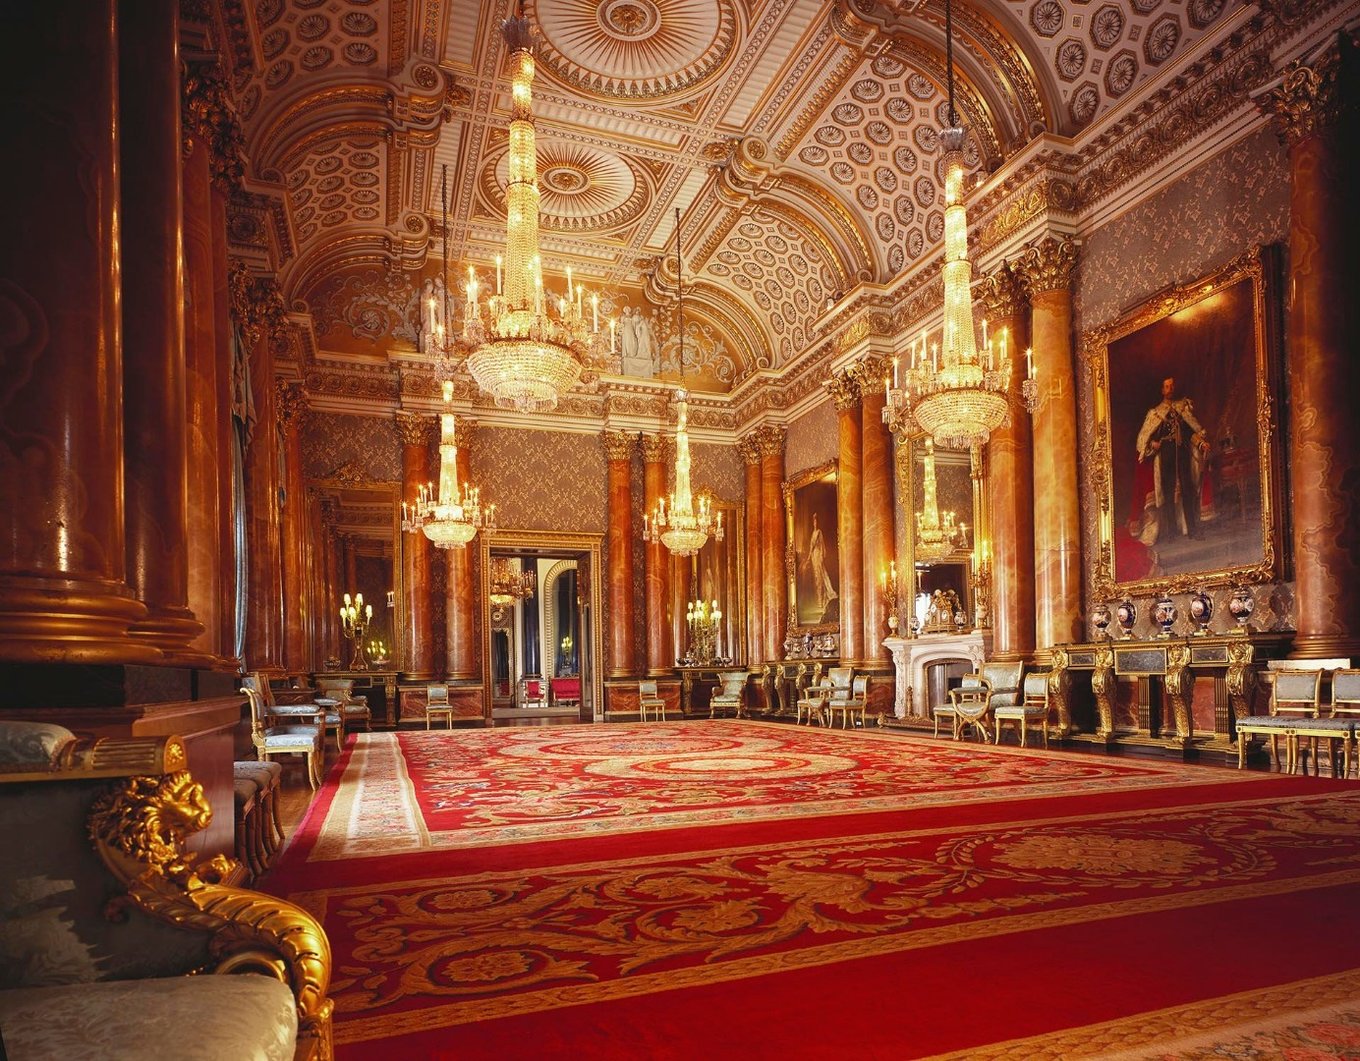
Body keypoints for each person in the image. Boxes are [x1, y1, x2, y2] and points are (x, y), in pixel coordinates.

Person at [1135, 375, 1210, 542]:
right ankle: (1171, 532)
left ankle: (1192, 530)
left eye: (1172, 386)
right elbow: (1147, 438)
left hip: (1182, 454)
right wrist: (1153, 444)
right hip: (1165, 456)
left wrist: (1201, 444)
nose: (1171, 389)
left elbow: (1190, 432)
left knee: (1188, 491)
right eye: (1167, 386)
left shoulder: (1182, 408)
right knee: (1167, 494)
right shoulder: (1156, 413)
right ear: (1162, 390)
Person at [802, 512, 837, 622]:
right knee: (816, 579)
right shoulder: (812, 533)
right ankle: (818, 601)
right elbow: (810, 548)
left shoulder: (819, 532)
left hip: (818, 555)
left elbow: (821, 545)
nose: (815, 523)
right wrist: (808, 558)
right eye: (814, 521)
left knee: (820, 578)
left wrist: (821, 556)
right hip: (813, 557)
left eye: (816, 521)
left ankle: (821, 601)